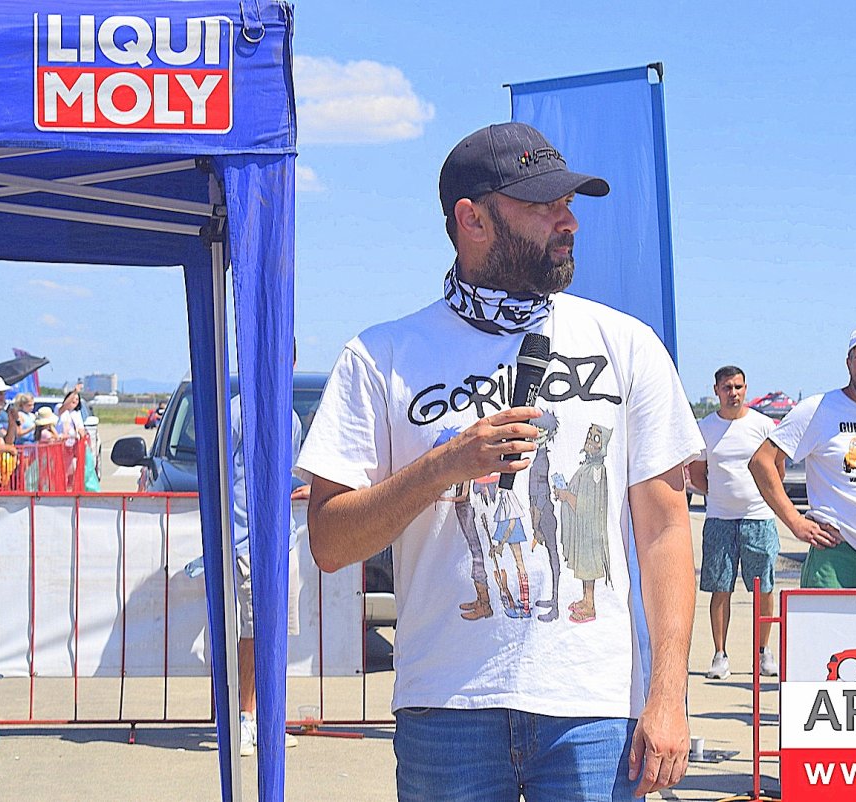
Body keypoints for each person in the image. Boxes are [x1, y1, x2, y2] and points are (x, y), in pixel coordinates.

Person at [299, 121, 702, 801]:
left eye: (568, 203)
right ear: (473, 219)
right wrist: (441, 467)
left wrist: (668, 696)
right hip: (445, 706)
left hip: (592, 707)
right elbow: (331, 542)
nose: (569, 221)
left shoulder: (627, 343)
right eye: (545, 205)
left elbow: (665, 531)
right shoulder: (381, 355)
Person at [750, 324, 856, 589]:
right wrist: (795, 521)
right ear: (848, 363)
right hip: (835, 555)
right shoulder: (819, 409)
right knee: (826, 619)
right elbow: (761, 461)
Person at [234, 347, 307, 756]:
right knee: (251, 630)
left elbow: (288, 472)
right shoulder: (236, 412)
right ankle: (244, 718)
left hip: (283, 539)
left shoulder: (291, 419)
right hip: (246, 540)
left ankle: (267, 719)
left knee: (276, 632)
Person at [687, 366, 780, 680]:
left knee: (764, 587)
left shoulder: (763, 425)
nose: (733, 393)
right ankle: (720, 654)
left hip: (759, 518)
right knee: (720, 588)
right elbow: (697, 474)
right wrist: (719, 495)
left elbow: (776, 469)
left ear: (746, 388)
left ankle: (764, 652)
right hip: (719, 519)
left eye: (738, 387)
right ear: (716, 390)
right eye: (727, 388)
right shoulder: (705, 428)